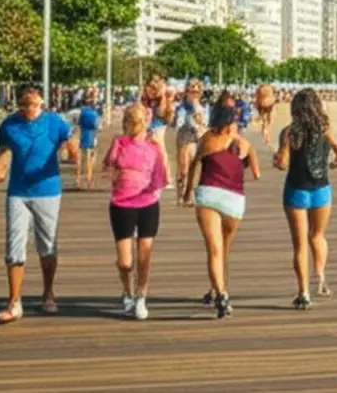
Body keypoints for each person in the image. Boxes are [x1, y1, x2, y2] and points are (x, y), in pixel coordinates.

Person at [0, 87, 75, 324]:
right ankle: (14, 302)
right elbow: (1, 163)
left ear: (41, 104)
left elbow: (68, 139)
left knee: (47, 246)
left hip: (48, 192)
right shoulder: (9, 126)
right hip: (18, 193)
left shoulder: (54, 122)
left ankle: (48, 293)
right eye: (25, 106)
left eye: (34, 105)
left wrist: (71, 151)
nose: (30, 110)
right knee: (14, 246)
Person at [182, 105, 259, 319]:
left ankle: (221, 293)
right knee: (224, 250)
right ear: (230, 124)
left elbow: (194, 164)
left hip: (208, 195)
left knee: (214, 250)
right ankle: (220, 290)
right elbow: (257, 172)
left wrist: (188, 191)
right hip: (234, 200)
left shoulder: (207, 139)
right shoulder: (240, 141)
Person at [273, 88, 337, 310]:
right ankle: (320, 276)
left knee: (300, 245)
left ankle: (303, 292)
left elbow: (283, 163)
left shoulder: (288, 133)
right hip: (321, 189)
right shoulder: (324, 129)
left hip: (296, 190)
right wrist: (335, 161)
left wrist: (278, 157)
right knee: (318, 236)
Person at [103, 105, 167, 319]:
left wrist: (163, 149)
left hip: (148, 203)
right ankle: (127, 291)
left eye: (137, 121)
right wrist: (114, 174)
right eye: (130, 121)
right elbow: (108, 165)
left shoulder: (153, 146)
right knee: (125, 261)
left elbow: (162, 176)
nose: (134, 125)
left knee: (144, 256)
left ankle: (141, 296)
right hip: (121, 203)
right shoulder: (118, 143)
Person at [173, 80, 207, 192]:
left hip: (199, 139)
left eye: (197, 92)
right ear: (187, 92)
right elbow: (179, 123)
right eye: (192, 91)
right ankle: (181, 192)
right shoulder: (182, 107)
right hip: (185, 138)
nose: (194, 94)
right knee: (183, 168)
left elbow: (205, 123)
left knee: (196, 167)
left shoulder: (204, 107)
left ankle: (191, 192)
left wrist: (198, 112)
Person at [75, 90, 102, 190]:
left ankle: (78, 179)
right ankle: (89, 179)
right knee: (91, 159)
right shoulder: (95, 114)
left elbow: (78, 123)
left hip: (82, 137)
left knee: (80, 160)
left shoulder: (81, 112)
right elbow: (97, 126)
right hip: (92, 137)